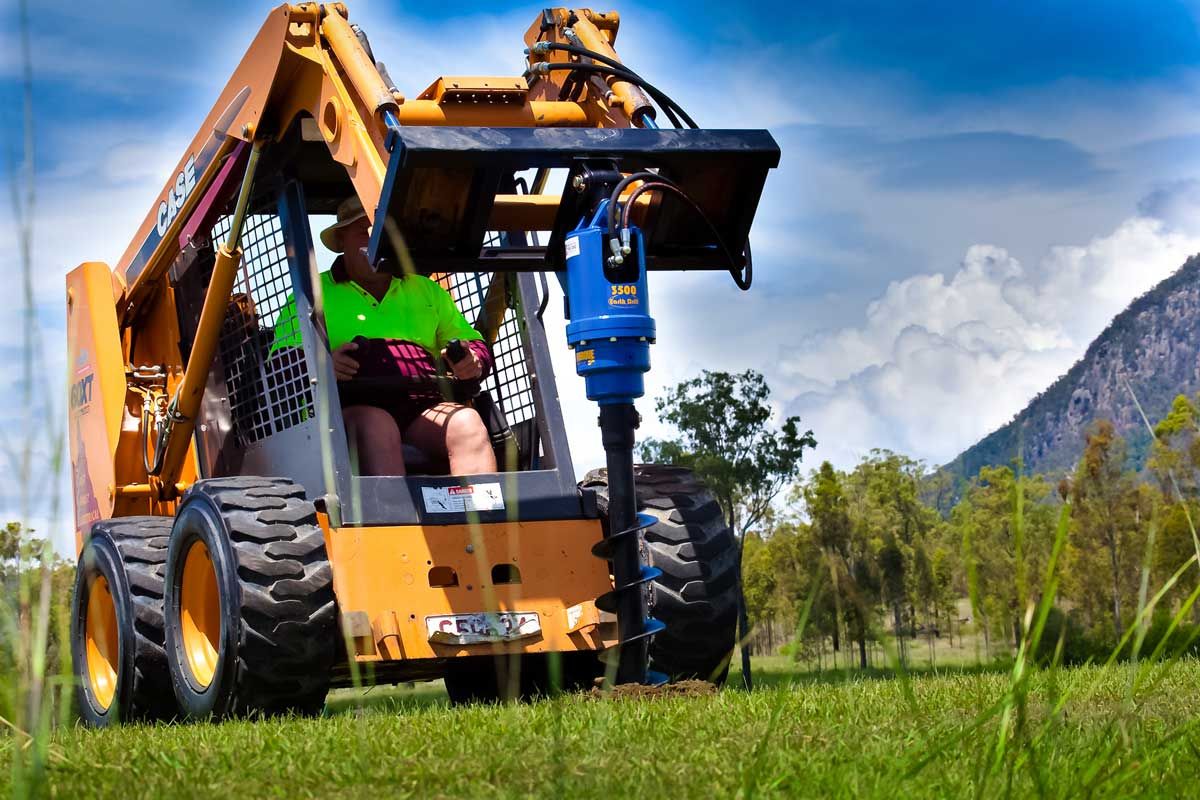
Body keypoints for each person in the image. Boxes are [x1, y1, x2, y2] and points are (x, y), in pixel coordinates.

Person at [272, 196, 497, 477]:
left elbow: (472, 344)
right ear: (341, 240)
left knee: (468, 423)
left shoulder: (426, 291)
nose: (376, 240)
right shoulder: (311, 295)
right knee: (378, 426)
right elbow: (281, 369)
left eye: (384, 231)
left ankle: (486, 519)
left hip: (422, 407)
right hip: (349, 410)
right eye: (365, 230)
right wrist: (324, 366)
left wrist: (471, 362)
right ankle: (396, 519)